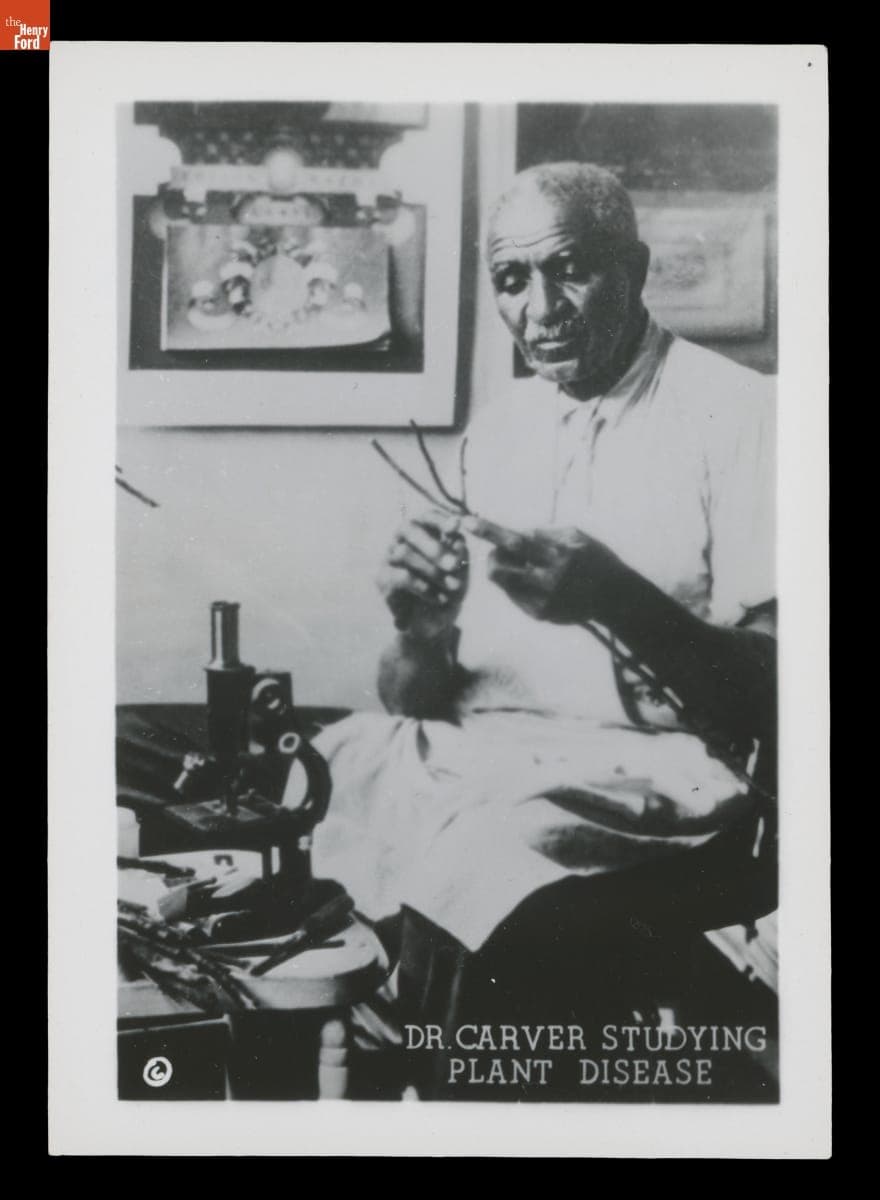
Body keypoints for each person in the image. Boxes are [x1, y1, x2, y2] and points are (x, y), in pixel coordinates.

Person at [302, 163, 776, 1094]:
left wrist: (615, 596)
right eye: (513, 280)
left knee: (478, 853)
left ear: (634, 269)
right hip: (487, 754)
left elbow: (778, 698)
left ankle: (443, 1089)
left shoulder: (746, 414)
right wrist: (422, 630)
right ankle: (394, 1064)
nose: (543, 308)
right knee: (309, 773)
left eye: (570, 270)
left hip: (654, 771)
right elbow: (420, 697)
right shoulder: (501, 429)